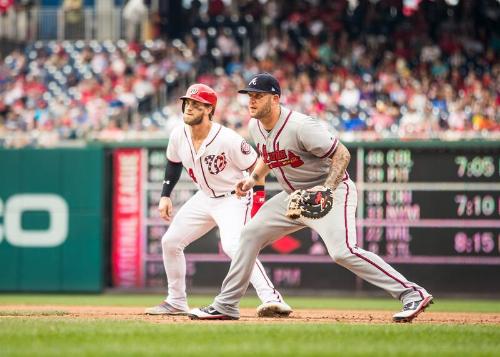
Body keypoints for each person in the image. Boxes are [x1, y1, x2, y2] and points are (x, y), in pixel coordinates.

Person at [189, 73, 433, 322]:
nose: (251, 101)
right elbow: (270, 156)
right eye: (250, 96)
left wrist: (326, 190)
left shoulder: (301, 126)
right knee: (249, 235)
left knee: (343, 252)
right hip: (293, 197)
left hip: (330, 192)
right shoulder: (256, 126)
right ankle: (227, 304)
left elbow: (342, 154)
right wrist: (254, 178)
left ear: (275, 99)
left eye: (258, 96)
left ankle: (412, 293)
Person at [145, 83, 292, 317]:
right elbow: (173, 163)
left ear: (208, 109)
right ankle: (176, 301)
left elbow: (258, 167)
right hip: (204, 197)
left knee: (234, 247)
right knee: (170, 242)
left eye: (196, 104)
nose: (189, 108)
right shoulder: (178, 134)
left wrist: (258, 203)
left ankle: (272, 299)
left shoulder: (228, 139)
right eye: (187, 103)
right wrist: (165, 195)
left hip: (233, 198)